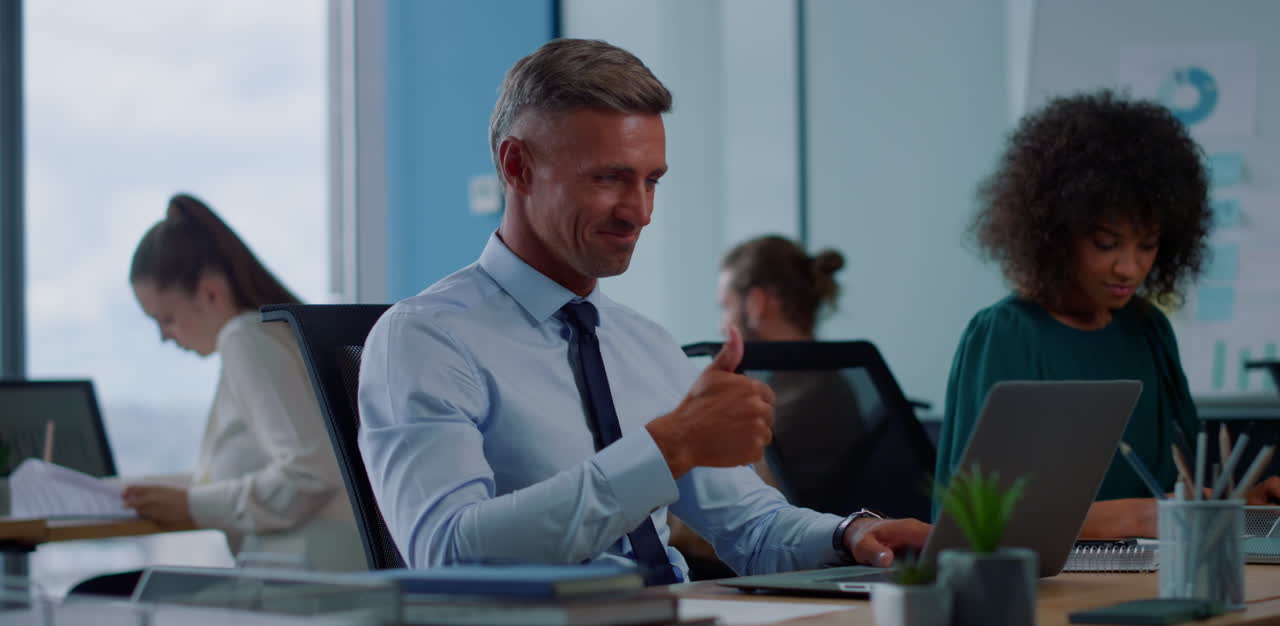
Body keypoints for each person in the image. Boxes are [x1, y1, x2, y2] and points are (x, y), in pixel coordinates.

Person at [356, 38, 928, 585]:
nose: (639, 213)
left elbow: (753, 529)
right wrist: (668, 447)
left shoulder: (646, 343)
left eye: (650, 182)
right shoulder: (425, 339)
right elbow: (446, 555)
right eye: (609, 178)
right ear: (518, 166)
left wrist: (852, 534)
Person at [936, 89, 1280, 540]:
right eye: (1106, 244)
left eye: (1148, 244)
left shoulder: (1148, 329)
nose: (1130, 267)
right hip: (1044, 592)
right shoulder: (1007, 333)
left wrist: (1242, 503)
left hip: (1151, 574)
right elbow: (978, 522)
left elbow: (1173, 490)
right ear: (1055, 235)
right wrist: (1132, 518)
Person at [123, 193, 365, 572]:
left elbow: (310, 474)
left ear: (210, 292)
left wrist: (190, 506)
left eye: (166, 319)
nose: (164, 338)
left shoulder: (244, 338)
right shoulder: (277, 334)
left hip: (309, 581)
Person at [715, 235, 871, 514]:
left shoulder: (807, 400)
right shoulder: (807, 383)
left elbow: (741, 508)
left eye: (726, 307)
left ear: (756, 303)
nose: (721, 326)